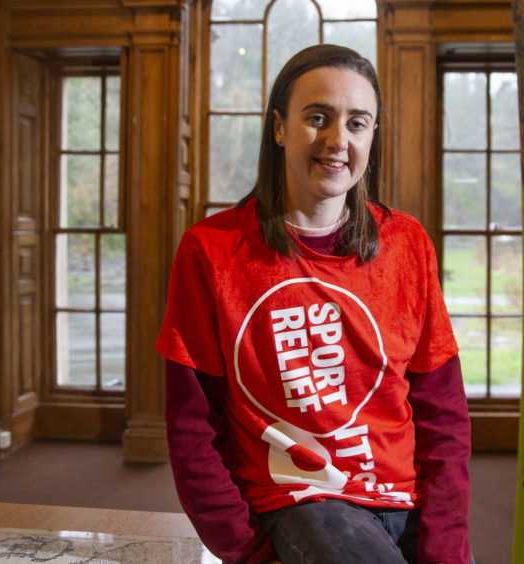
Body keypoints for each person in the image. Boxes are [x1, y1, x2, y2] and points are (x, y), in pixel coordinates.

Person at [156, 44, 472, 564]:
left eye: (357, 123)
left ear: (372, 136)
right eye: (317, 118)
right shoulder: (209, 251)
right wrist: (247, 552)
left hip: (406, 498)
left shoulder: (408, 243)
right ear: (278, 128)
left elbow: (444, 416)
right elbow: (192, 429)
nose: (337, 140)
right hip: (305, 501)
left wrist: (447, 547)